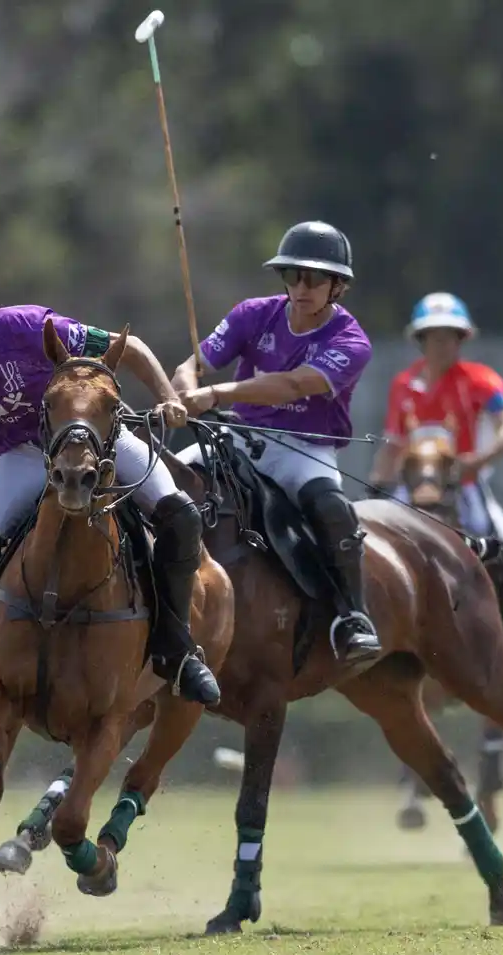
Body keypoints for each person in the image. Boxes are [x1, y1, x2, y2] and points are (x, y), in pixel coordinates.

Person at [0, 269, 222, 706]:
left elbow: (128, 347)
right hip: (23, 456)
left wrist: (167, 395)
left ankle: (178, 649)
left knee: (182, 516)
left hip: (94, 444)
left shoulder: (29, 328)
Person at [172, 221, 383, 668]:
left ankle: (353, 617)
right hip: (237, 435)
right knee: (162, 481)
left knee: (332, 509)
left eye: (314, 278)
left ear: (337, 286)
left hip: (303, 449)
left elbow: (290, 386)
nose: (301, 288)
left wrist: (215, 395)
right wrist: (186, 391)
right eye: (292, 276)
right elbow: (193, 364)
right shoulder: (253, 313)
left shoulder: (351, 341)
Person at [369, 291, 503, 675]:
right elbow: (393, 443)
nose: (441, 344)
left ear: (462, 339)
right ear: (420, 340)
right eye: (433, 335)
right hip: (411, 487)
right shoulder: (403, 385)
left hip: (464, 487)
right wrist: (377, 484)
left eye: (449, 336)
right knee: (367, 546)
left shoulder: (481, 381)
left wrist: (477, 462)